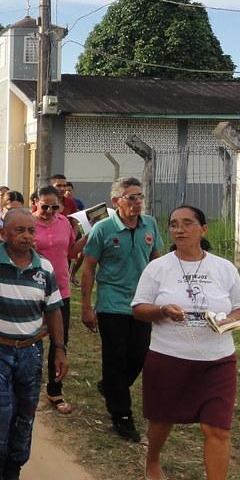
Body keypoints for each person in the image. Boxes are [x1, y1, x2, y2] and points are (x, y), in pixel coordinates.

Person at [131, 205, 240, 480]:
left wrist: (230, 320)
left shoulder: (223, 269)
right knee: (162, 417)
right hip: (170, 355)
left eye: (188, 224)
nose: (180, 230)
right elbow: (139, 309)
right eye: (173, 225)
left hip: (217, 360)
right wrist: (162, 310)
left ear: (203, 229)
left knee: (218, 429)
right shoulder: (158, 268)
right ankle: (153, 459)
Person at [0, 208, 66, 480]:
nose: (26, 236)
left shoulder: (45, 269)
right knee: (1, 410)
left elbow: (53, 310)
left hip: (31, 350)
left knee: (26, 414)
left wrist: (60, 349)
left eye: (30, 231)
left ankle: (13, 472)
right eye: (19, 230)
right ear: (4, 233)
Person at [80, 177, 164, 442]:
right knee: (115, 357)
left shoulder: (150, 224)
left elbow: (156, 261)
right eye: (131, 197)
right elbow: (89, 268)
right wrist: (86, 307)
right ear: (116, 201)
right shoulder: (103, 229)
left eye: (140, 196)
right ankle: (122, 415)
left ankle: (111, 387)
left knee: (139, 356)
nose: (137, 202)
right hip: (111, 303)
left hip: (142, 303)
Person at [32, 186, 86, 415]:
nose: (50, 211)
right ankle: (29, 387)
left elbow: (71, 251)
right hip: (33, 289)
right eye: (45, 206)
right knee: (32, 340)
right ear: (35, 202)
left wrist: (90, 235)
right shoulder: (27, 222)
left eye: (55, 207)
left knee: (60, 341)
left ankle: (55, 390)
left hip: (61, 290)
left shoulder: (64, 222)